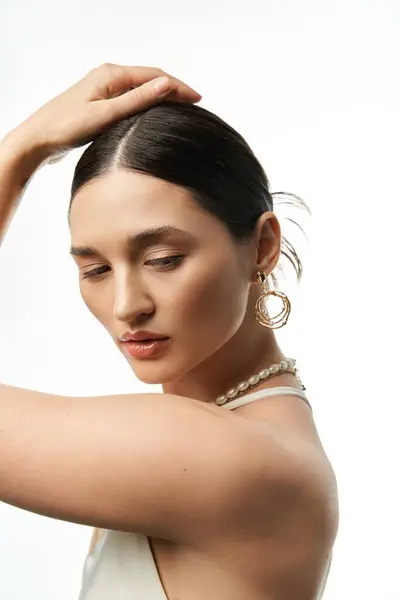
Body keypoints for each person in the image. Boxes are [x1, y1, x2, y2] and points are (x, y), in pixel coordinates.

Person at [0, 64, 338, 600]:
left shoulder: (224, 456)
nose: (126, 306)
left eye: (163, 258)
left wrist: (22, 149)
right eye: (95, 270)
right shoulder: (255, 430)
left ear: (263, 247)